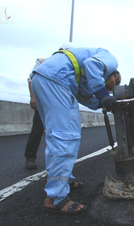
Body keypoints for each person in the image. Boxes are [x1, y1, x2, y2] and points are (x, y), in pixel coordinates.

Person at [31, 46, 120, 214]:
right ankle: (55, 198)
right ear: (114, 75)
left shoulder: (86, 76)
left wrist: (102, 102)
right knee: (65, 138)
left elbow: (84, 96)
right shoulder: (110, 59)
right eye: (113, 85)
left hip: (44, 78)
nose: (111, 88)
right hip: (56, 80)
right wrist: (103, 95)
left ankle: (65, 181)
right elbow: (92, 64)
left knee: (55, 135)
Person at [24, 42, 77, 169]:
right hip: (44, 101)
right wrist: (33, 97)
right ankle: (30, 157)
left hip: (59, 103)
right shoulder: (44, 62)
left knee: (61, 133)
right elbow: (31, 78)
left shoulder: (69, 66)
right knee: (38, 128)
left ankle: (59, 163)